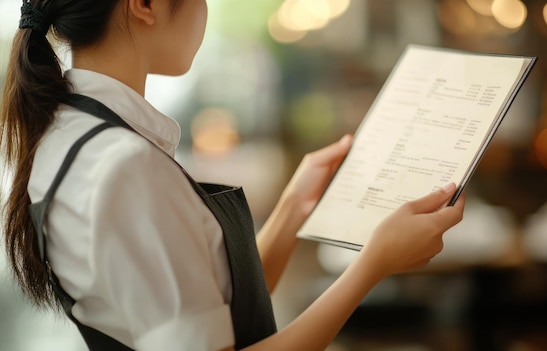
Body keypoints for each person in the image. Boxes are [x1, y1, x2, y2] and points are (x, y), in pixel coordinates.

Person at [0, 0, 465, 350]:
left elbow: (207, 298)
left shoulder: (75, 135)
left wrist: (291, 210)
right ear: (144, 5)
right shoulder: (122, 166)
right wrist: (373, 265)